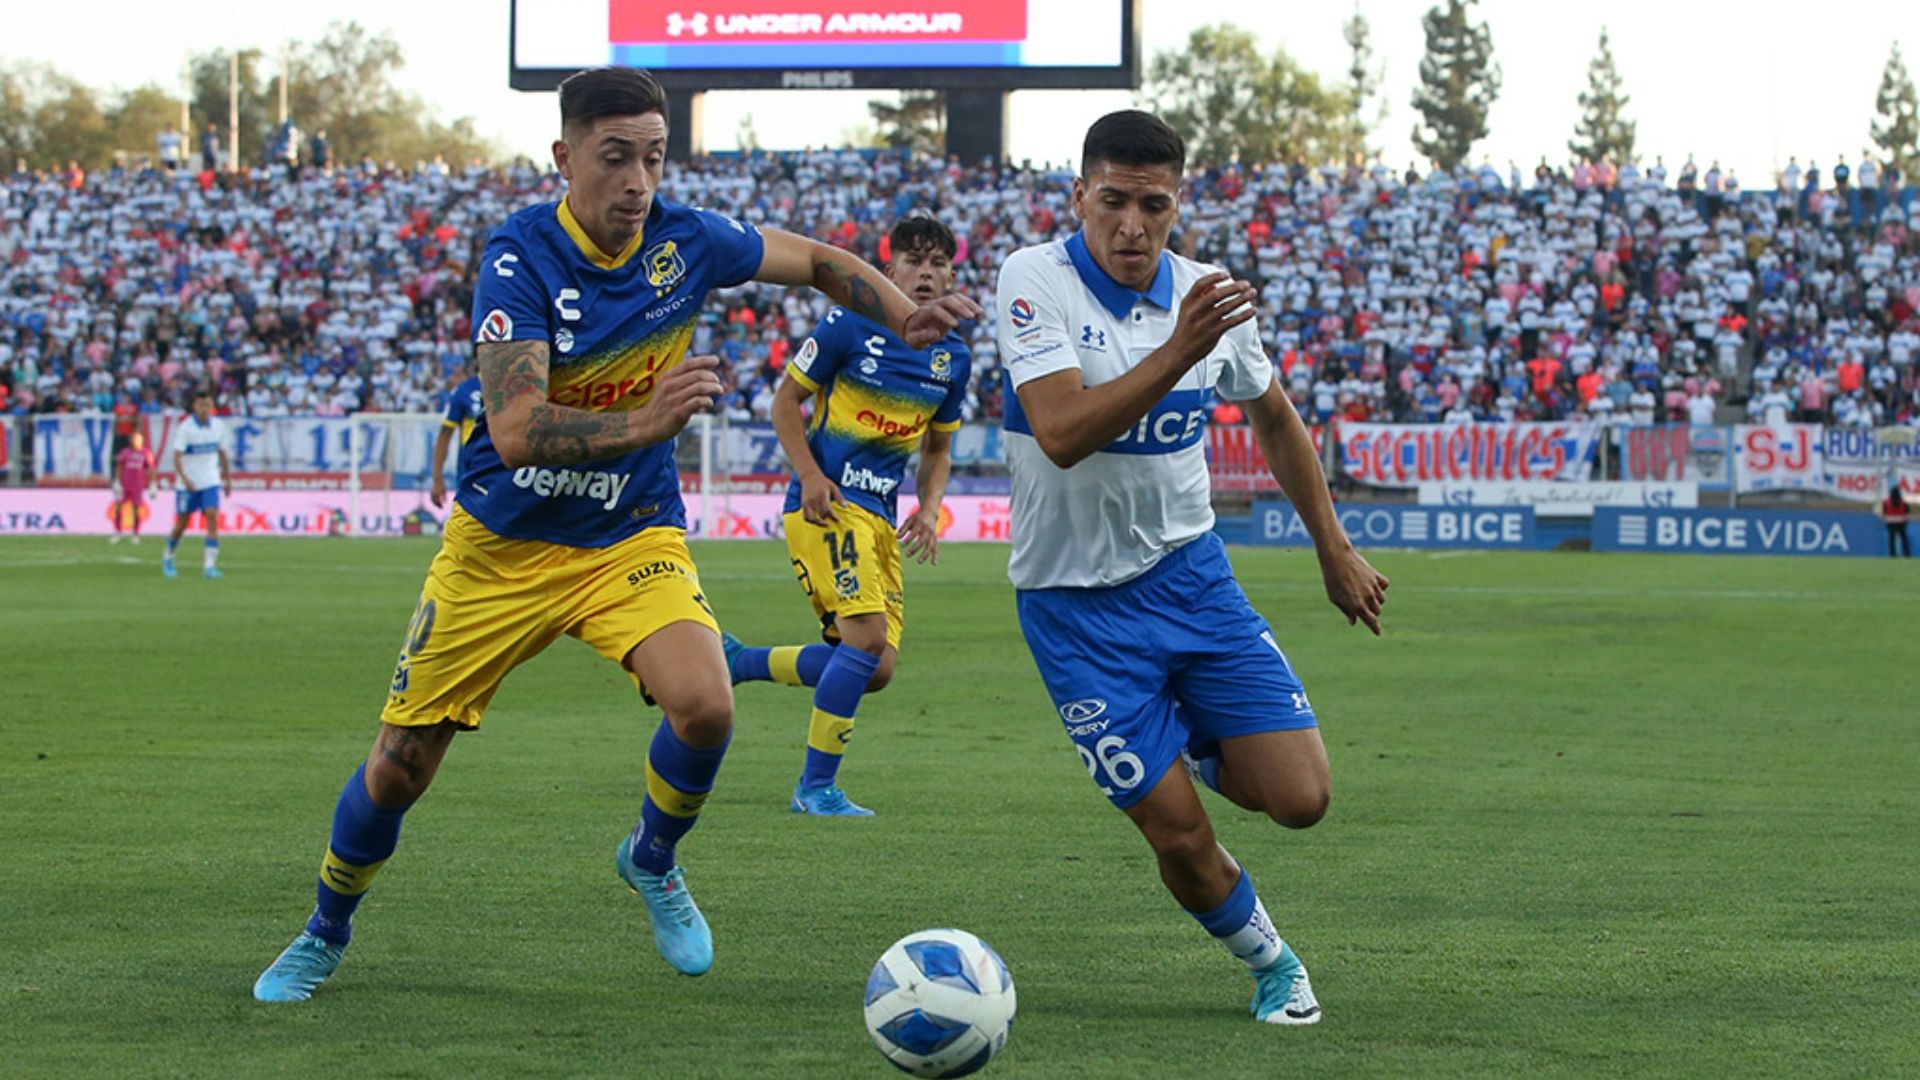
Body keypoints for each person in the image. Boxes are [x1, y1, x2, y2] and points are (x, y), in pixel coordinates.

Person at [251, 67, 980, 1002]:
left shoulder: (687, 238)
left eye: (653, 157)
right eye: (615, 159)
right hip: (500, 549)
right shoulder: (518, 259)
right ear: (564, 158)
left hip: (629, 535)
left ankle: (651, 855)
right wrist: (643, 421)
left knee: (707, 704)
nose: (639, 181)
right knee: (398, 768)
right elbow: (514, 432)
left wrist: (899, 309)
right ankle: (324, 930)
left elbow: (811, 260)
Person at [993, 110, 1388, 1027]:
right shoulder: (1034, 279)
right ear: (1080, 196)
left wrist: (1332, 546)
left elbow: (1277, 418)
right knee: (1175, 831)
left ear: (1178, 207)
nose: (1131, 225)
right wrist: (1179, 352)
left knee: (1303, 800)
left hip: (1190, 578)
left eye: (1154, 206)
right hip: (1074, 608)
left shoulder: (1208, 293)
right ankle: (1274, 966)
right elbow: (1058, 434)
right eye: (1114, 201)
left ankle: (1185, 746)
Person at [723, 215, 973, 817]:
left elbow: (938, 448)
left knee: (877, 667)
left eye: (939, 263)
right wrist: (810, 475)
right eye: (914, 261)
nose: (926, 273)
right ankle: (815, 788)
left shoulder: (954, 358)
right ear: (889, 272)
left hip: (880, 519)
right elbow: (785, 404)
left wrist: (931, 507)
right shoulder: (849, 323)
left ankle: (738, 662)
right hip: (827, 506)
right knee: (865, 639)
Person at [163, 388, 229, 579]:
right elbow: (176, 457)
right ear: (194, 406)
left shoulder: (218, 426)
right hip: (188, 484)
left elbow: (222, 454)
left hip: (210, 479)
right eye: (200, 405)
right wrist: (185, 479)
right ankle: (168, 557)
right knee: (182, 524)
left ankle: (209, 566)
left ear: (212, 407)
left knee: (212, 516)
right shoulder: (186, 428)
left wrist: (227, 479)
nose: (204, 409)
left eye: (207, 405)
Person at [428, 368, 484, 510]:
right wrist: (437, 479)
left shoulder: (513, 388)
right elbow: (444, 436)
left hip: (504, 472)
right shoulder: (464, 391)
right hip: (471, 473)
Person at [111, 430, 157, 544]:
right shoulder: (125, 452)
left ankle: (135, 533)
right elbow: (119, 467)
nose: (135, 441)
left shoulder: (146, 453)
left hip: (138, 486)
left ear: (141, 440)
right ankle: (117, 532)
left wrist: (152, 484)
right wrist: (117, 481)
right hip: (125, 485)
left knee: (136, 509)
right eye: (133, 438)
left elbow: (151, 469)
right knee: (118, 507)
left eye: (138, 438)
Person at [1881, 486, 1911, 558]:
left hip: (1891, 522)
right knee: (1904, 540)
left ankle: (1892, 555)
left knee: (1892, 540)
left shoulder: (1886, 502)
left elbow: (1884, 512)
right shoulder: (1903, 502)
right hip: (1901, 522)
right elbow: (1907, 511)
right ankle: (1907, 554)